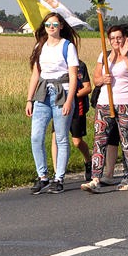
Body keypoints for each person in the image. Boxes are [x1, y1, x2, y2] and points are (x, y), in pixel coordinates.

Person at [82, 25, 128, 193]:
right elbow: (96, 79)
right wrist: (102, 80)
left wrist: (125, 57)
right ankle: (95, 178)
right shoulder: (104, 55)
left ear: (124, 38)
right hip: (105, 103)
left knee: (127, 141)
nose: (116, 40)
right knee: (99, 140)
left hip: (126, 103)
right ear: (108, 40)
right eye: (112, 38)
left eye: (119, 37)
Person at [26, 12, 79, 195]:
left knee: (61, 137)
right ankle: (43, 177)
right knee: (36, 137)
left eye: (55, 24)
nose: (51, 28)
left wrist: (69, 101)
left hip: (61, 92)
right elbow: (35, 74)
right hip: (42, 94)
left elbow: (73, 76)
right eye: (48, 25)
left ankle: (59, 178)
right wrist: (29, 99)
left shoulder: (68, 46)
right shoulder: (40, 46)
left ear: (61, 26)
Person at [51, 57, 92, 182]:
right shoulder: (55, 64)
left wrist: (71, 95)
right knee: (56, 137)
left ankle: (88, 161)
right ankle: (57, 172)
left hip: (76, 107)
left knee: (77, 142)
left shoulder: (80, 65)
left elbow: (87, 87)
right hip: (59, 105)